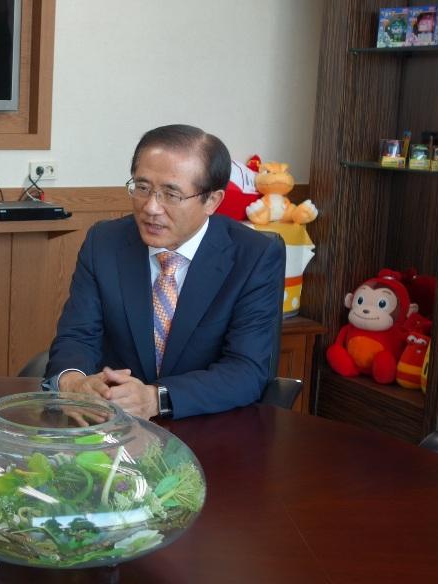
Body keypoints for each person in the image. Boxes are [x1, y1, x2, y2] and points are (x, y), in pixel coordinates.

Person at [43, 124, 285, 420]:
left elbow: (246, 369)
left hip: (208, 426)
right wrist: (73, 383)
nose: (151, 207)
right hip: (112, 424)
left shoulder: (253, 256)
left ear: (212, 200)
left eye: (171, 194)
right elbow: (77, 336)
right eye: (142, 188)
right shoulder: (104, 242)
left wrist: (157, 398)